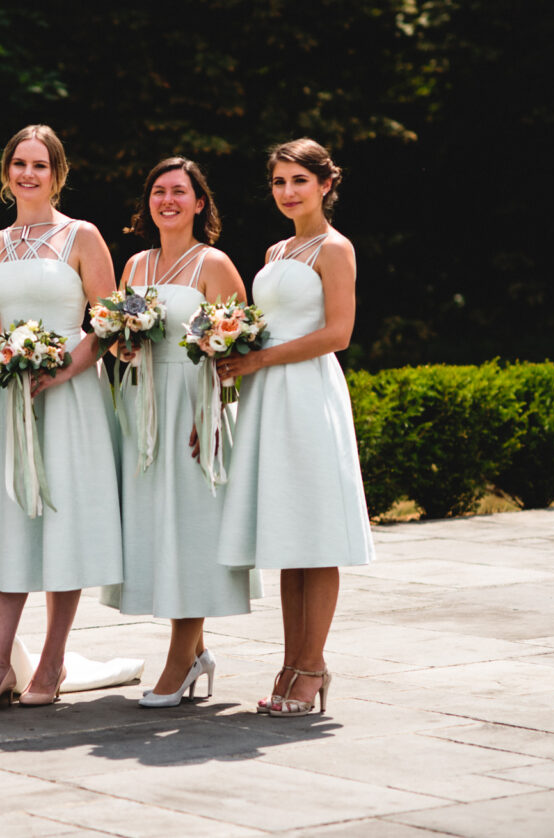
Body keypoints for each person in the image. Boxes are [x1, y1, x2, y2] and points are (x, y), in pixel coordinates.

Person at [0, 125, 123, 711]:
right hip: (8, 397)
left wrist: (61, 371)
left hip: (70, 394)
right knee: (6, 525)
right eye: (19, 164)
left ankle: (52, 661)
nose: (28, 174)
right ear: (7, 172)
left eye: (40, 165)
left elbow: (108, 321)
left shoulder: (82, 235)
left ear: (57, 173)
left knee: (62, 521)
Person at [217, 138, 374, 717]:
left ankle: (313, 666)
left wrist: (258, 359)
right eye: (279, 182)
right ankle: (289, 664)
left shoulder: (335, 249)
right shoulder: (277, 248)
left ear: (325, 185)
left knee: (316, 531)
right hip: (267, 396)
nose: (287, 192)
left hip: (307, 393)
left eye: (299, 181)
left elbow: (339, 333)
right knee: (286, 534)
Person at [103, 157, 259, 707]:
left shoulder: (213, 264)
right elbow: (124, 341)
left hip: (195, 406)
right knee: (158, 528)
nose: (167, 201)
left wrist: (213, 409)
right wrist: (123, 345)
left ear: (199, 203)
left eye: (179, 192)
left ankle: (180, 659)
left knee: (191, 529)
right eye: (158, 192)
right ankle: (196, 654)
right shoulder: (135, 266)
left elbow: (242, 345)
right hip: (143, 405)